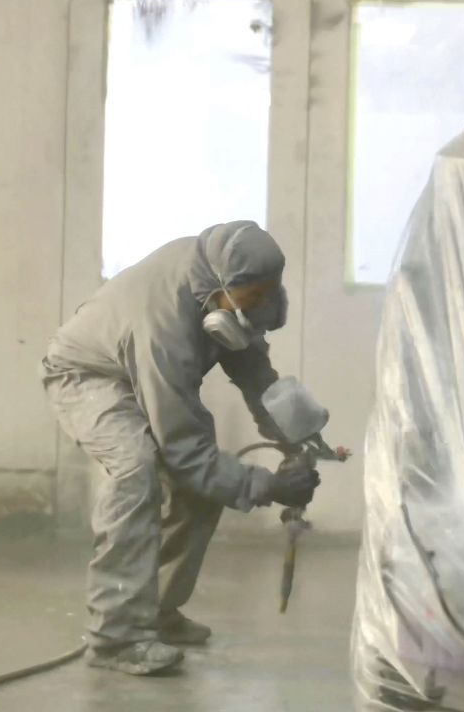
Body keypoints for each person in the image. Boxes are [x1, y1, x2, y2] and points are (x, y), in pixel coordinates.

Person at [41, 220, 321, 675]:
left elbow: (257, 375)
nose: (261, 309)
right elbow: (185, 453)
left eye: (267, 296)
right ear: (220, 291)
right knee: (136, 469)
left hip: (139, 370)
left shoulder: (220, 280)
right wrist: (269, 486)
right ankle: (115, 637)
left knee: (200, 486)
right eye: (252, 301)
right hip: (86, 374)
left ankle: (156, 612)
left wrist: (299, 437)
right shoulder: (165, 324)